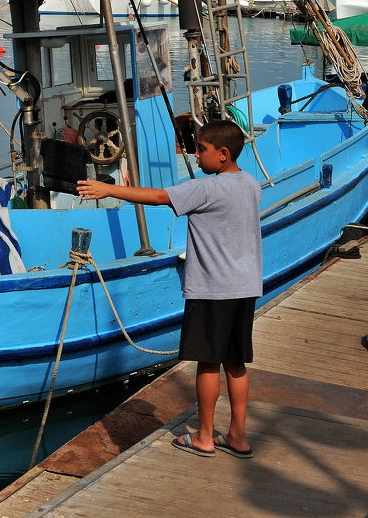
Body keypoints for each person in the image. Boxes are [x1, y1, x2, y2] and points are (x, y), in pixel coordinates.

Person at [77, 119, 261, 460]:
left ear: (222, 154)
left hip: (211, 290)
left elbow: (160, 197)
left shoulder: (207, 188)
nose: (195, 154)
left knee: (207, 364)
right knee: (236, 363)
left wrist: (110, 189)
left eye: (201, 149)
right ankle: (237, 436)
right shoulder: (250, 184)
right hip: (244, 286)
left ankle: (205, 436)